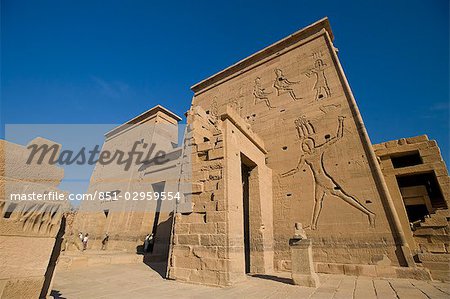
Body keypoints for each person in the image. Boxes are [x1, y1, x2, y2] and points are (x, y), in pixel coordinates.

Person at [281, 116, 375, 230]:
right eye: (303, 146)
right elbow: (297, 169)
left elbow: (337, 137)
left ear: (309, 145)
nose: (303, 147)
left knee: (344, 197)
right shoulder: (305, 157)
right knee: (318, 202)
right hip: (318, 183)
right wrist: (284, 175)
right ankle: (314, 224)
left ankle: (369, 213)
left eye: (305, 145)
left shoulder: (318, 151)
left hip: (325, 180)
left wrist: (340, 122)